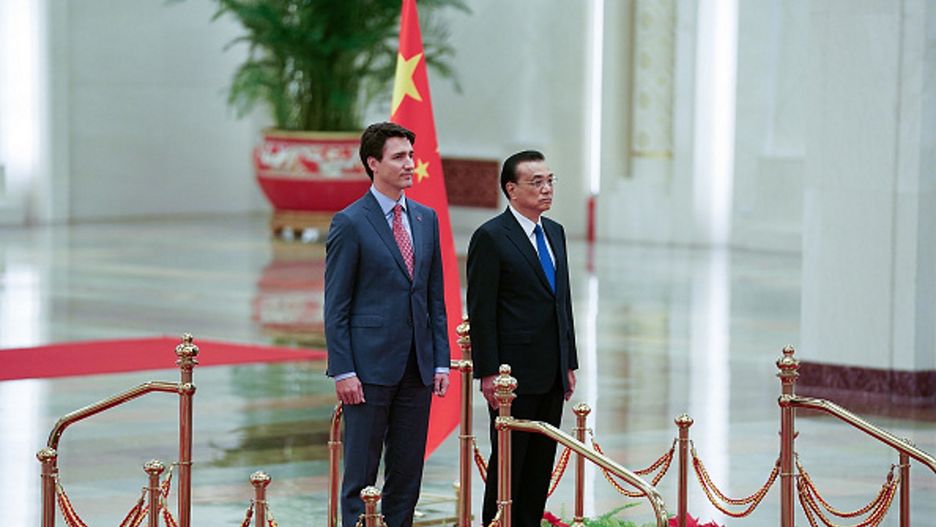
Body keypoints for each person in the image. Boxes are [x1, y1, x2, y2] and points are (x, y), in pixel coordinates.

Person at [324, 121, 450, 527]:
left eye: (411, 155)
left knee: (407, 475)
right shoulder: (350, 222)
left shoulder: (426, 218)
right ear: (373, 163)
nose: (410, 164)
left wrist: (441, 360)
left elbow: (434, 297)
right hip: (368, 370)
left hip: (418, 367)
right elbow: (336, 305)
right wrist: (343, 370)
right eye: (399, 157)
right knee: (360, 477)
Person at [467, 150, 578, 527]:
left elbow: (561, 302)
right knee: (509, 467)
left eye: (550, 181)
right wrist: (488, 373)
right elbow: (481, 310)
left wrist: (569, 361)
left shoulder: (555, 232)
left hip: (551, 372)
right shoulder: (491, 237)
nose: (547, 189)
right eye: (536, 182)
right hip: (511, 377)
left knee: (539, 468)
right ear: (511, 189)